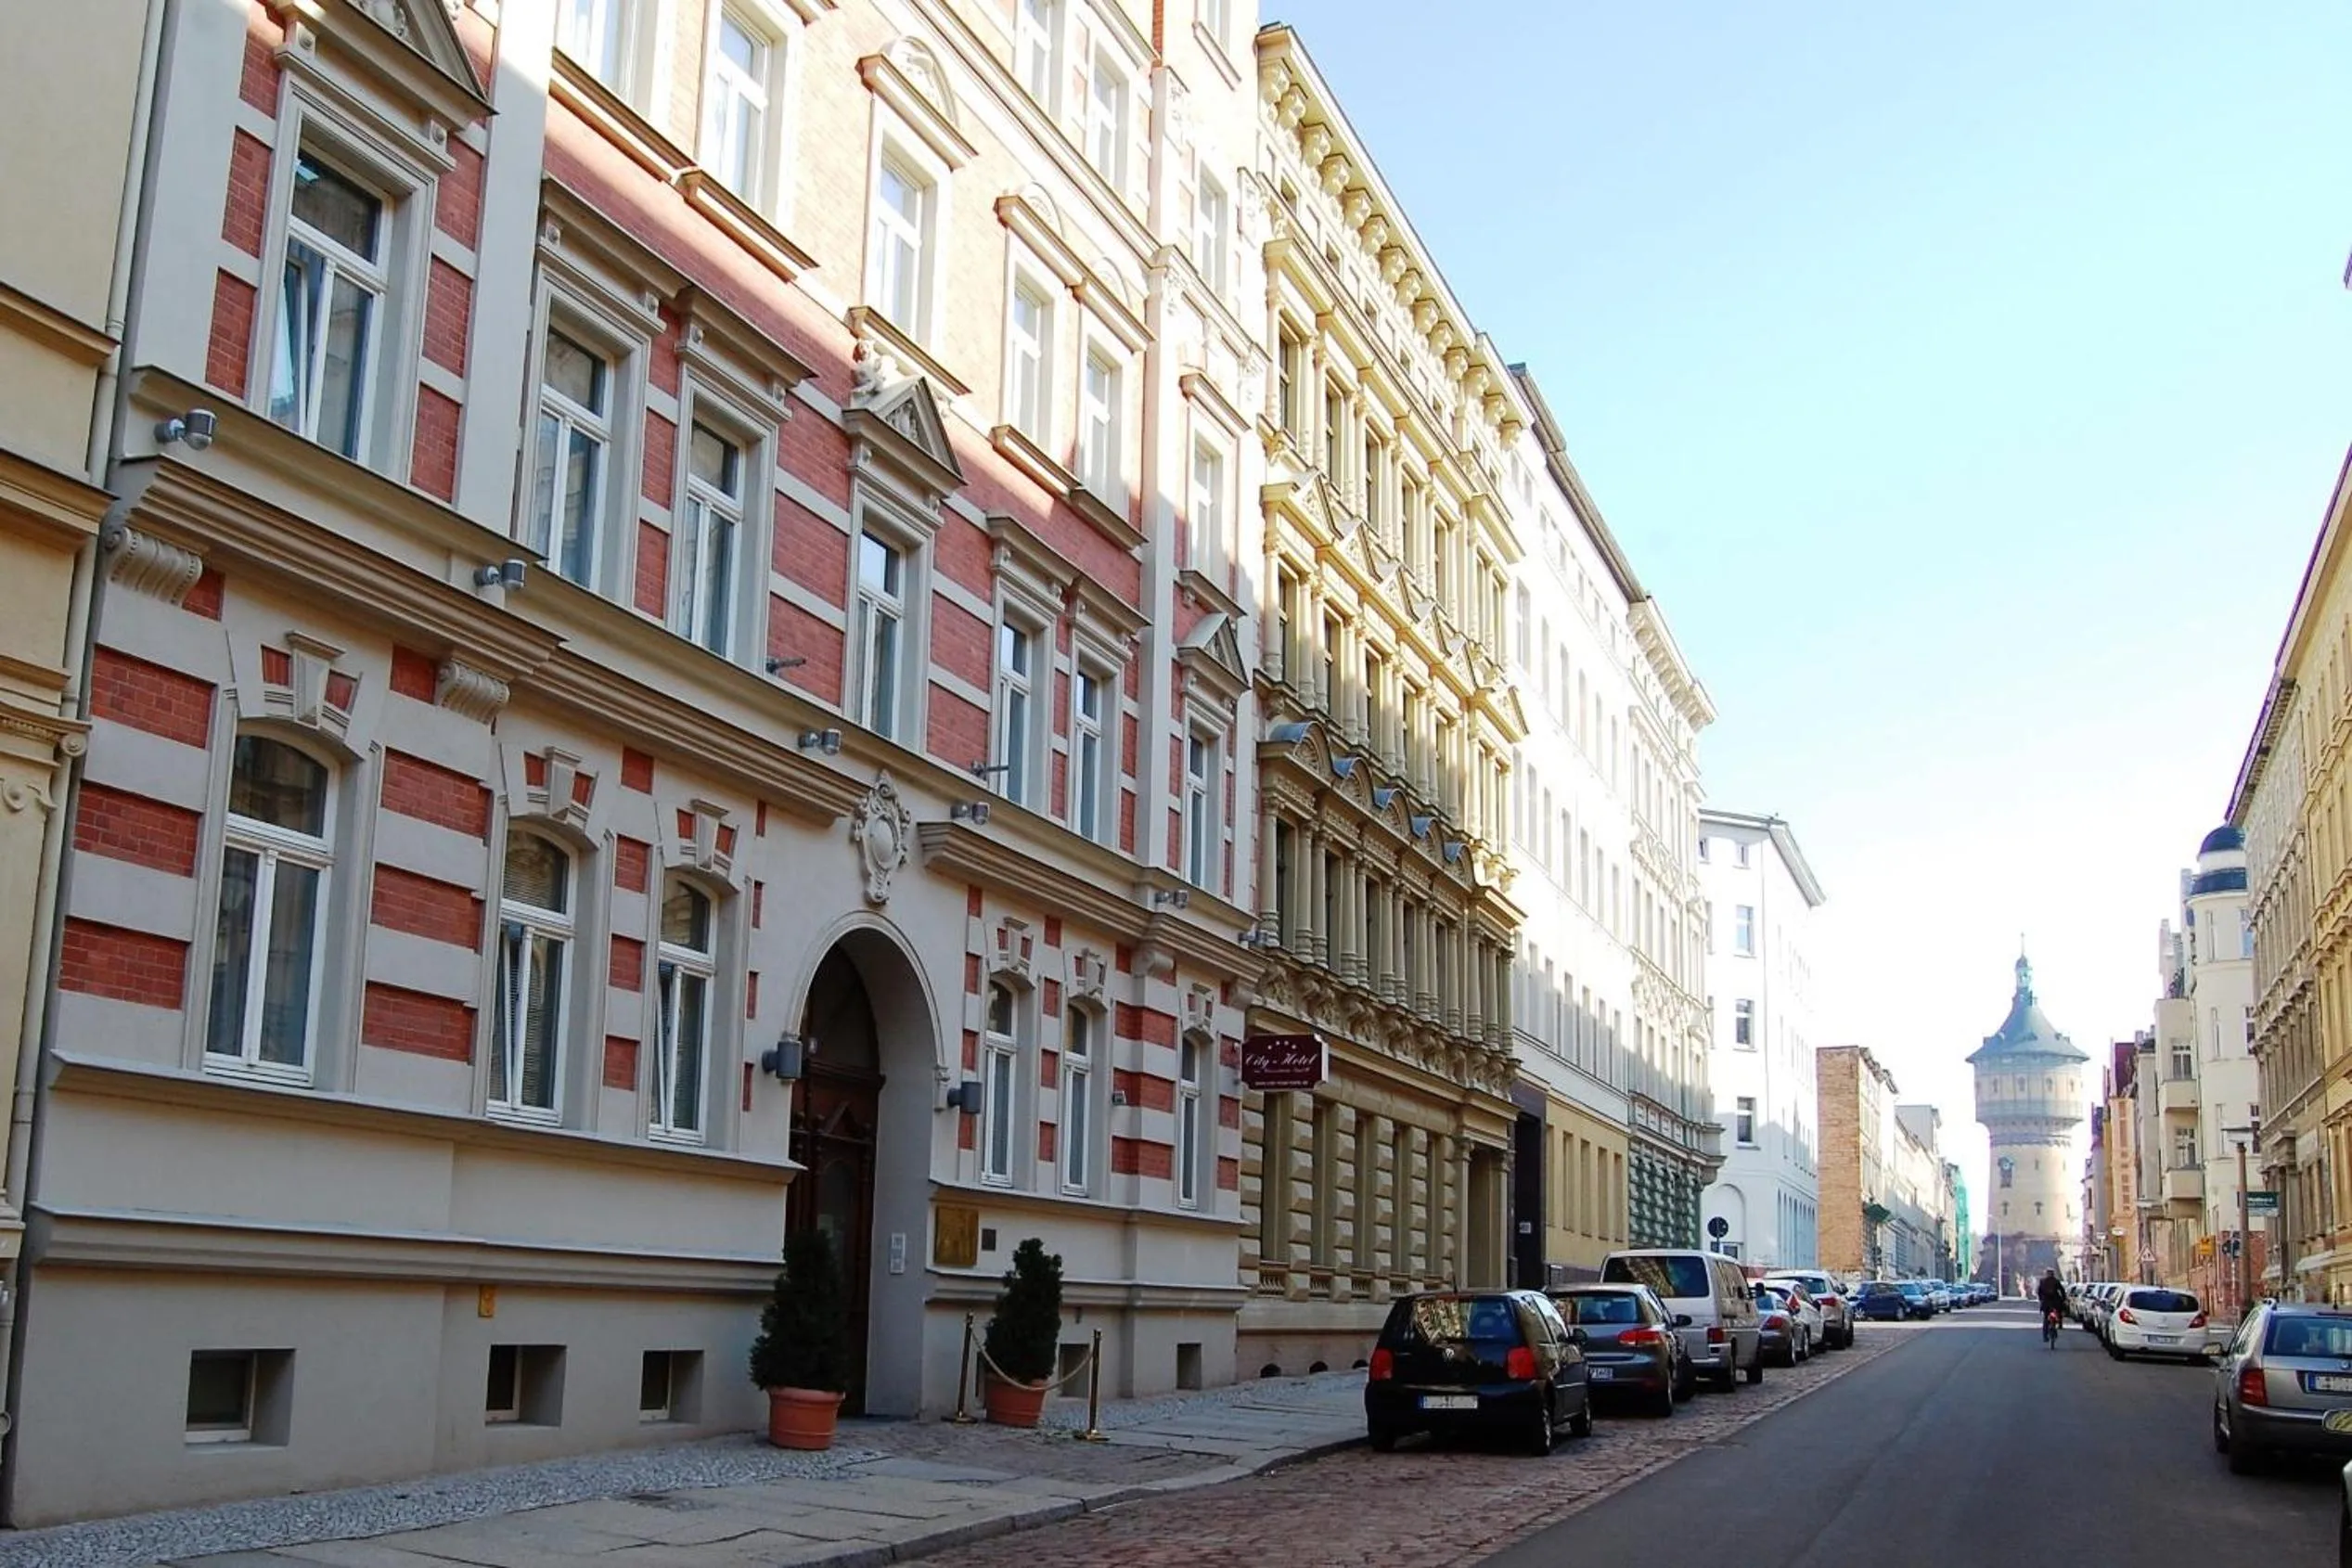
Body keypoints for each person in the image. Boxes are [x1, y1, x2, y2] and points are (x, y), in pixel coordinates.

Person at [2036, 1269, 2067, 1342]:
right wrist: (2063, 1299)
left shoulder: (2042, 1281)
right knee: (2057, 1314)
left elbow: (2039, 1292)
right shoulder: (2056, 1281)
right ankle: (2058, 1325)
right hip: (2055, 1302)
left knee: (2046, 1319)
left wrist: (2041, 1299)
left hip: (2046, 1303)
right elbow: (2062, 1291)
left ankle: (2045, 1336)